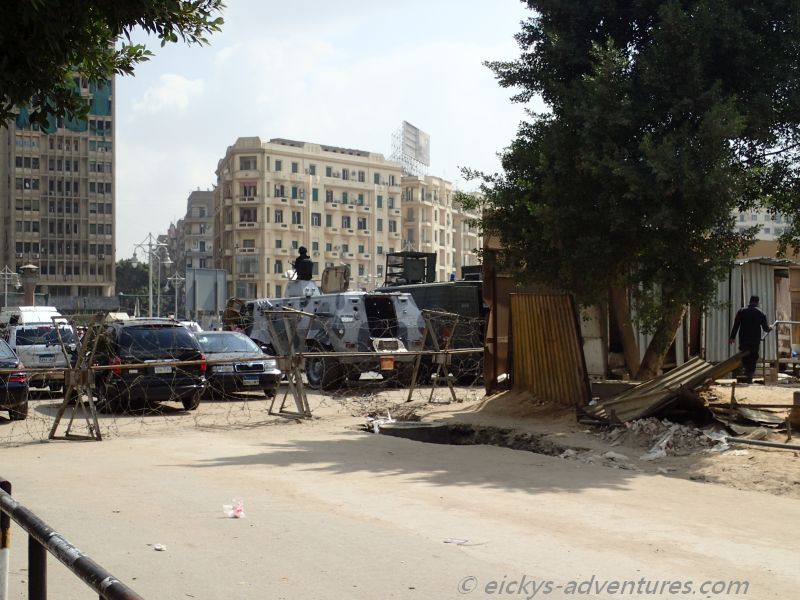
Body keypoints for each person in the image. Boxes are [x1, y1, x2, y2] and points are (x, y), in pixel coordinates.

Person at [729, 295, 772, 384]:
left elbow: (736, 325)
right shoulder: (761, 313)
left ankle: (744, 375)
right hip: (754, 341)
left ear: (750, 301)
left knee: (744, 356)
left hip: (743, 339)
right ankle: (749, 378)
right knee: (753, 358)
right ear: (757, 302)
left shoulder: (741, 311)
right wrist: (770, 328)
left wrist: (732, 337)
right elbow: (766, 329)